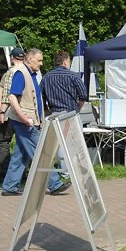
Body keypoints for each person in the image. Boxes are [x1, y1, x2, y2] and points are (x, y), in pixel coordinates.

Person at [1, 48, 71, 197]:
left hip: (27, 121)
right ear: (30, 59)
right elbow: (12, 97)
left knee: (21, 155)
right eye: (39, 60)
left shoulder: (31, 74)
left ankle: (9, 186)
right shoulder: (21, 73)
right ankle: (55, 184)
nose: (41, 63)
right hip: (25, 122)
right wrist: (23, 117)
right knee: (41, 151)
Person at [41, 50, 89, 178]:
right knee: (76, 143)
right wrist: (78, 108)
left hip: (55, 114)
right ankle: (77, 170)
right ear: (65, 61)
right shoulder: (73, 76)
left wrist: (46, 110)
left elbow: (41, 96)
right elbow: (83, 95)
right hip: (71, 113)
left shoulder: (46, 77)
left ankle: (65, 171)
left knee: (59, 144)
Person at [0, 47, 26, 182]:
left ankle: (4, 172)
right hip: (24, 112)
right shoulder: (28, 72)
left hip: (10, 111)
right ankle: (23, 172)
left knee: (2, 140)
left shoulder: (10, 72)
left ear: (12, 58)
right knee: (23, 142)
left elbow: (5, 94)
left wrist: (1, 111)